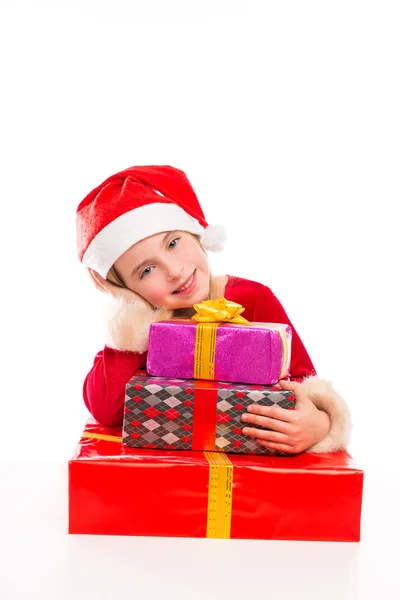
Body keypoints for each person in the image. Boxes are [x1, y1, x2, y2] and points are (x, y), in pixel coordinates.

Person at [76, 165, 351, 454]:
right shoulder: (141, 328)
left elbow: (305, 383)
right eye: (146, 271)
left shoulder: (252, 298)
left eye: (172, 242)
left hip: (254, 473)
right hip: (174, 477)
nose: (173, 270)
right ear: (129, 291)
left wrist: (319, 424)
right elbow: (106, 410)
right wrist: (130, 315)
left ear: (195, 234)